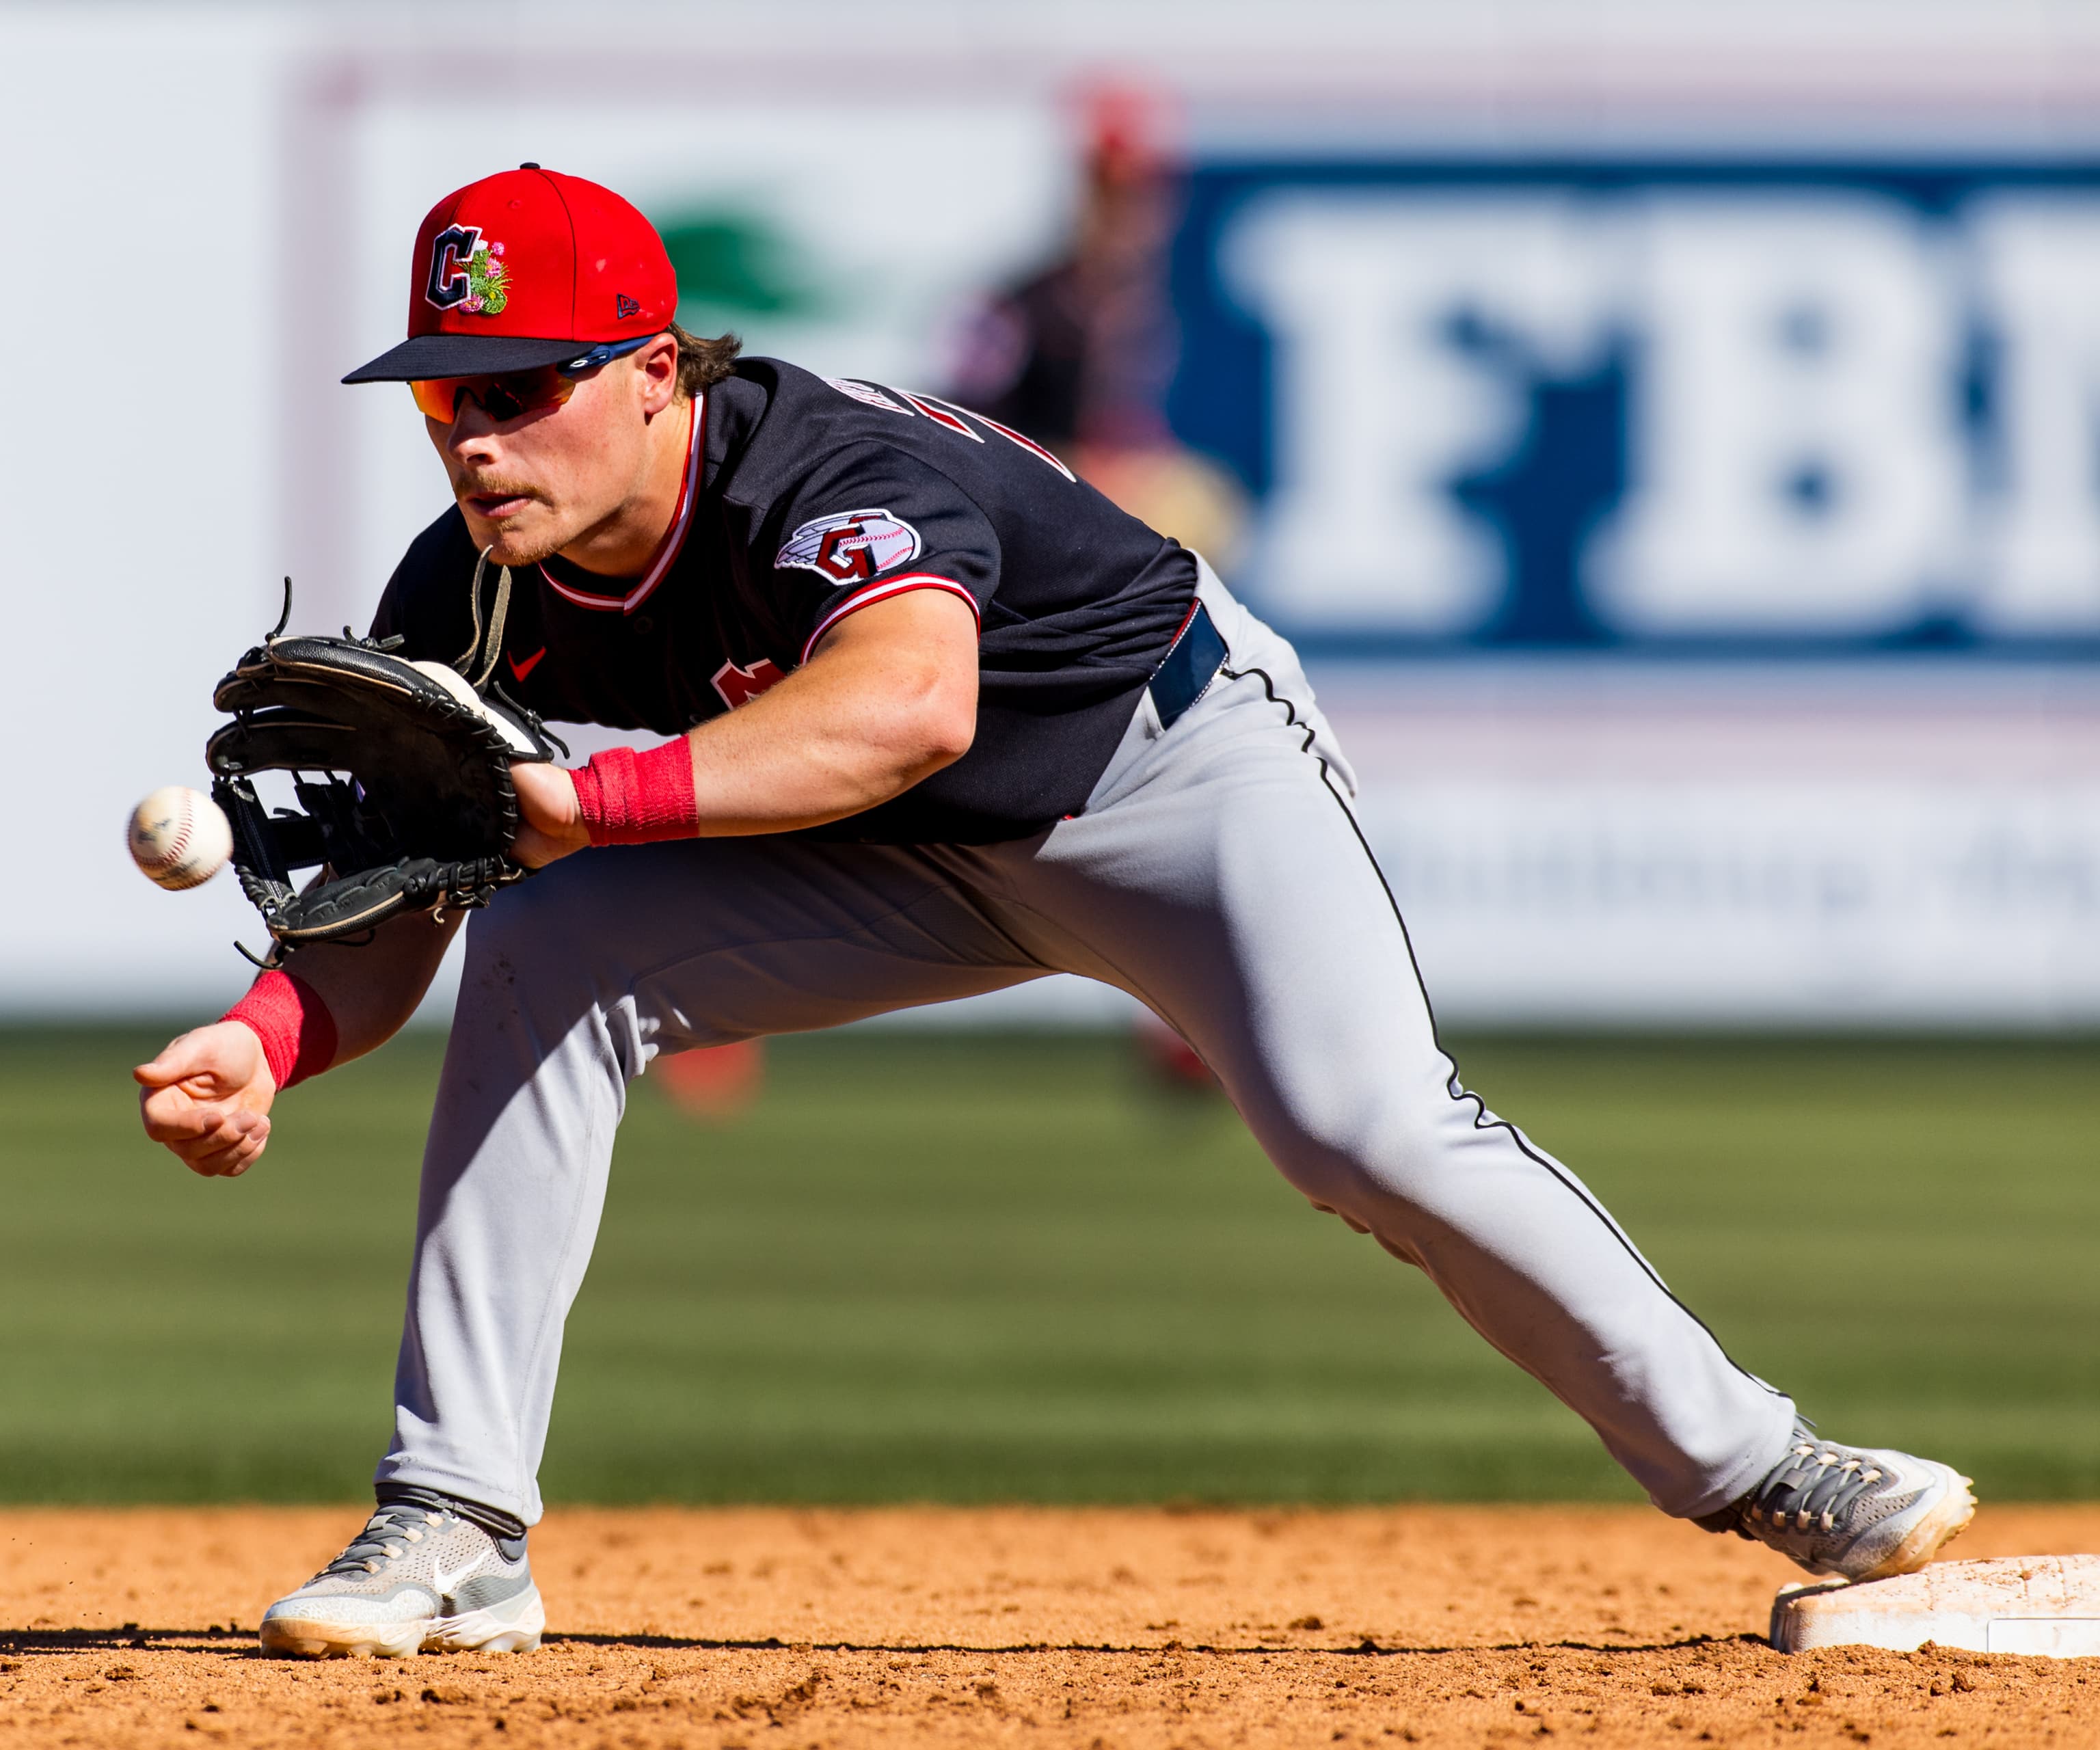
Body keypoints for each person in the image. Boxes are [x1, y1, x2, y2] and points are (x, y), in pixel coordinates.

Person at [133, 166, 1975, 1660]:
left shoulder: (821, 472)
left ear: (656, 372)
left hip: (1176, 784)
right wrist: (268, 1036)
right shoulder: (465, 583)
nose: (476, 435)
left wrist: (590, 801)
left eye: (523, 387)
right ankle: (455, 1524)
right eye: (448, 394)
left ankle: (1762, 1461)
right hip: (895, 858)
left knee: (1359, 1130)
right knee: (547, 948)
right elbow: (415, 883)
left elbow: (912, 704)